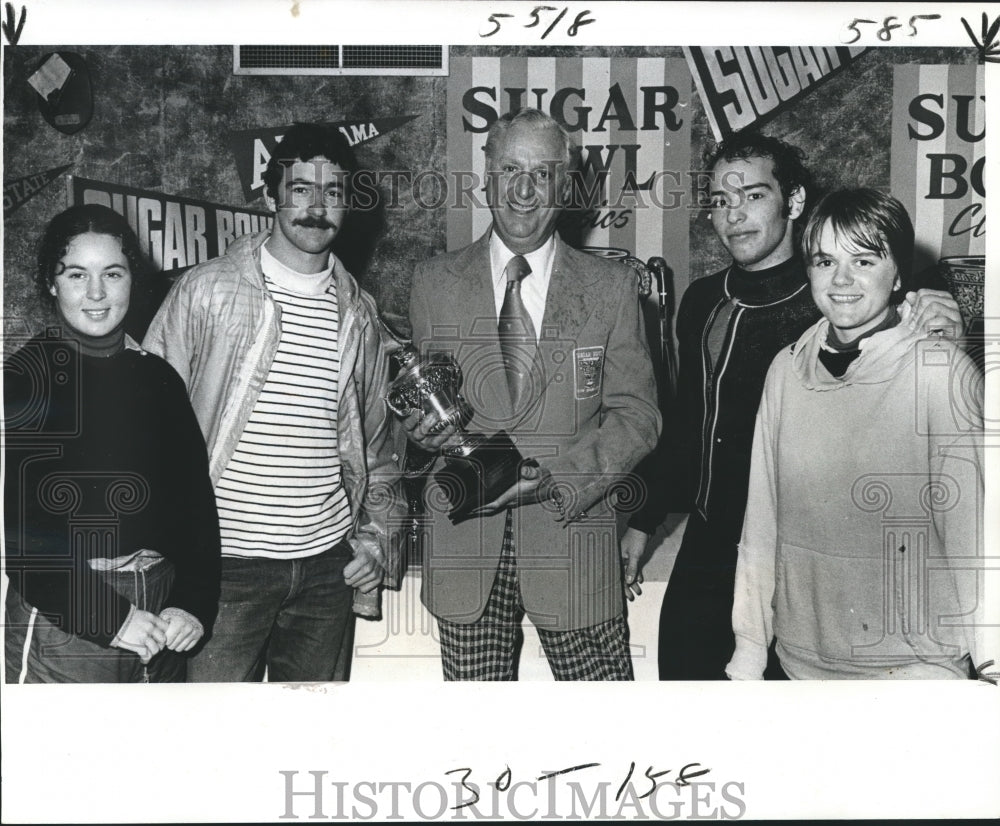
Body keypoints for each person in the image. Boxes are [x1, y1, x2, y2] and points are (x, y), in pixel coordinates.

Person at [621, 130, 964, 680]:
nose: (734, 215)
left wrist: (948, 330)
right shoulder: (704, 300)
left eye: (754, 195)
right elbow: (688, 426)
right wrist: (643, 522)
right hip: (712, 546)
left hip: (803, 564)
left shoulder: (842, 299)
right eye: (721, 200)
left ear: (795, 201)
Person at [401, 108, 660, 680]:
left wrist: (557, 480)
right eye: (510, 170)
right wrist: (418, 434)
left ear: (565, 186)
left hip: (574, 544)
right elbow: (417, 418)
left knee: (607, 738)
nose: (523, 190)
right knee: (479, 748)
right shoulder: (432, 283)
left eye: (541, 174)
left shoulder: (613, 287)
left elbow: (637, 417)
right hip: (465, 548)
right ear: (486, 176)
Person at [143, 123, 401, 682]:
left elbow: (379, 447)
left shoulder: (360, 314)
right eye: (301, 188)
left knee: (308, 749)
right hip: (222, 567)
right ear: (270, 196)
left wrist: (377, 542)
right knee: (214, 751)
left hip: (326, 573)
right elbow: (147, 423)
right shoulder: (206, 290)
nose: (317, 206)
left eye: (332, 191)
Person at [727, 188, 992, 679]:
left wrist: (994, 664)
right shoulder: (785, 370)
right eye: (825, 261)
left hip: (915, 669)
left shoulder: (939, 372)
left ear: (897, 276)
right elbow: (761, 525)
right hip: (802, 661)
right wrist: (749, 645)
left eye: (864, 260)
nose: (842, 279)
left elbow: (975, 538)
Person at [4, 204, 221, 683]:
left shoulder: (159, 377)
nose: (97, 293)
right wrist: (112, 618)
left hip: (162, 620)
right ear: (50, 282)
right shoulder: (26, 379)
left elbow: (196, 510)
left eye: (113, 273)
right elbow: (26, 540)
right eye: (78, 274)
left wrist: (191, 603)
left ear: (132, 280)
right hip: (70, 621)